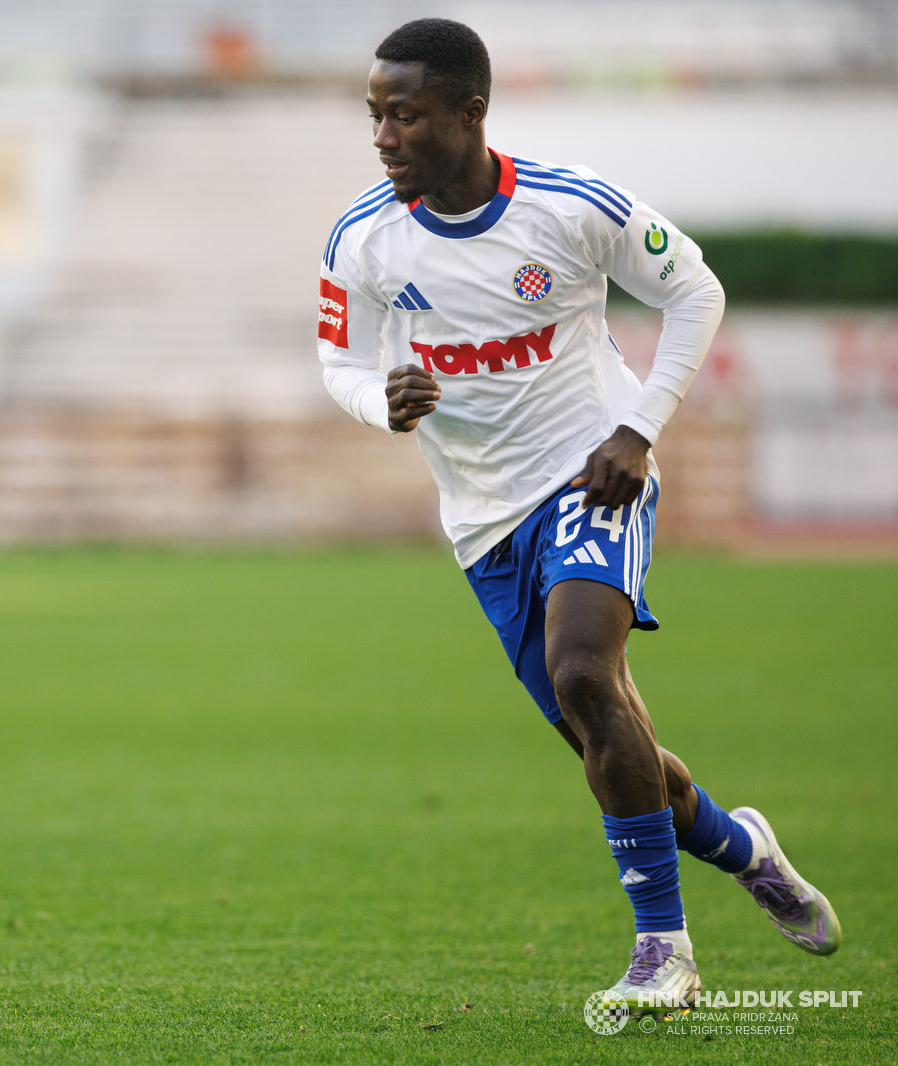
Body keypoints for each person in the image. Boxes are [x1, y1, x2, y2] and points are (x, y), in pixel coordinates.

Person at [316, 17, 840, 1010]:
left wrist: (637, 432)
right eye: (374, 115)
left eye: (405, 115)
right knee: (611, 745)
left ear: (469, 113)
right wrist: (377, 401)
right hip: (482, 521)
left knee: (583, 673)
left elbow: (695, 291)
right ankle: (744, 849)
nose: (383, 137)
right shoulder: (363, 237)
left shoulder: (569, 206)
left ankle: (664, 954)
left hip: (591, 474)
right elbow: (337, 359)